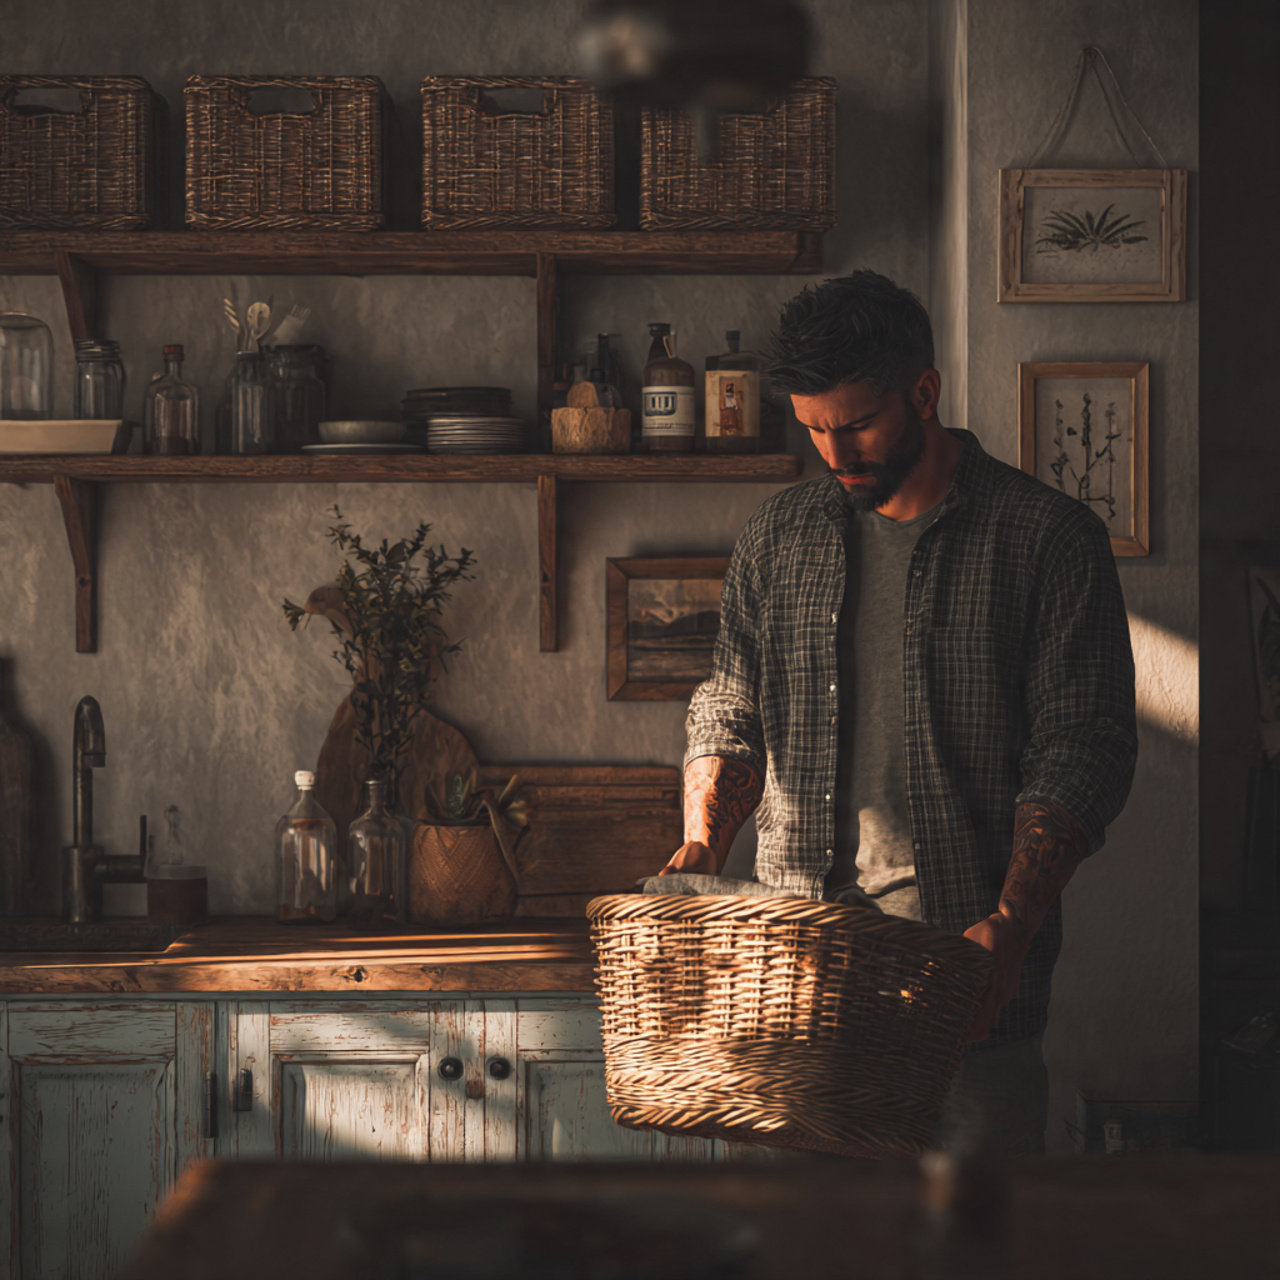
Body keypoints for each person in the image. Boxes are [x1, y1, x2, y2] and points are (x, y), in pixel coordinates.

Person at [661, 271, 1138, 1154]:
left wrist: (1013, 924)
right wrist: (701, 842)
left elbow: (1086, 748)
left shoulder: (1049, 538)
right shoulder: (778, 537)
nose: (834, 454)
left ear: (925, 392)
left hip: (966, 1005)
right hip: (793, 991)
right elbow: (728, 705)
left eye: (856, 425)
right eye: (812, 430)